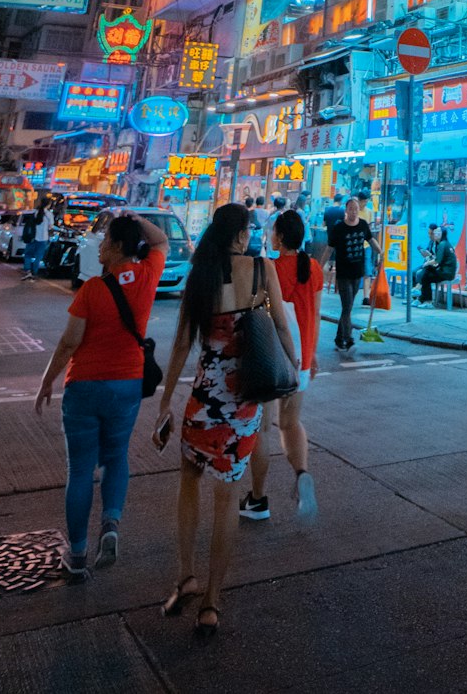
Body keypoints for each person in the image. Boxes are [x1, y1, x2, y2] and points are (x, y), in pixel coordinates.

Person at [155, 202, 297, 635]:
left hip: (203, 399)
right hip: (244, 404)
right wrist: (294, 373)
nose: (252, 236)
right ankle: (212, 602)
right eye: (249, 230)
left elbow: (181, 344)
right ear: (240, 235)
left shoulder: (201, 274)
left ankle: (185, 577)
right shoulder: (259, 269)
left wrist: (164, 403)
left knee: (189, 482)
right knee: (226, 500)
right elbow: (283, 329)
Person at [34, 211, 168, 581]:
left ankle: (77, 557)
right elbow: (160, 242)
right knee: (116, 457)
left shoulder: (92, 289)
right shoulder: (147, 275)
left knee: (80, 470)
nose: (101, 247)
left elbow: (69, 341)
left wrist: (48, 380)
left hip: (85, 387)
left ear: (114, 247)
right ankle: (111, 523)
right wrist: (135, 218)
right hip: (126, 383)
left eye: (107, 240)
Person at [241, 210, 321, 524]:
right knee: (291, 423)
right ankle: (302, 474)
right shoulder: (313, 268)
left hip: (274, 358)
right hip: (302, 358)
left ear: (280, 237)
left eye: (274, 230)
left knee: (263, 428)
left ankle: (258, 500)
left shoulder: (268, 268)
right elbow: (314, 316)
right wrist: (311, 354)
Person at [328, 198, 380, 353]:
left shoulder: (363, 225)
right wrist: (319, 265)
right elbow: (329, 248)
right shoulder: (339, 228)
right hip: (343, 273)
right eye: (351, 208)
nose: (354, 211)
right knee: (347, 305)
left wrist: (381, 252)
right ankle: (348, 338)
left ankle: (339, 338)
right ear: (346, 210)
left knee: (347, 308)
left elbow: (371, 241)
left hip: (357, 272)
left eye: (356, 208)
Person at [418, 225, 457, 306]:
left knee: (426, 276)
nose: (435, 234)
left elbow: (437, 261)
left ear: (441, 234)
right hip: (445, 272)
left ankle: (427, 300)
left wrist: (427, 263)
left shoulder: (442, 244)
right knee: (426, 271)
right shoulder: (444, 244)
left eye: (437, 233)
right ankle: (420, 297)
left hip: (447, 274)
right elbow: (438, 260)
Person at [22, 197, 52, 280]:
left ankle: (27, 270)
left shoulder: (35, 213)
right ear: (48, 205)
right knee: (38, 256)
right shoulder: (49, 214)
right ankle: (34, 272)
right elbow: (50, 227)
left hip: (33, 237)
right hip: (43, 238)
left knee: (28, 254)